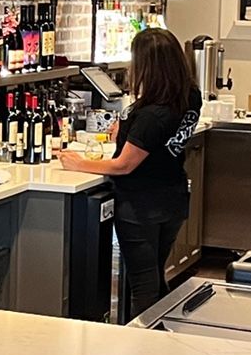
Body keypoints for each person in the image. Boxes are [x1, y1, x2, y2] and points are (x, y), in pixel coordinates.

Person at [57, 27, 201, 318]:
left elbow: (124, 164)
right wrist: (126, 130)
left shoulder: (151, 115)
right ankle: (161, 333)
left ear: (147, 66)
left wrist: (78, 163)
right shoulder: (189, 97)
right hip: (172, 199)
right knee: (155, 274)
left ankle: (144, 338)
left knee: (143, 285)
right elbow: (155, 141)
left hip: (141, 205)